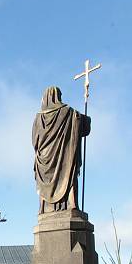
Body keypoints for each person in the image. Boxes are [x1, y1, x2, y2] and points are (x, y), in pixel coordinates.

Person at [32, 86, 91, 214]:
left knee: (45, 182)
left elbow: (34, 141)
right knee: (69, 174)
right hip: (65, 157)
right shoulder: (70, 112)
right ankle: (72, 204)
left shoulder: (38, 118)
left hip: (44, 161)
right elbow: (85, 128)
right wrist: (84, 119)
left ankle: (43, 209)